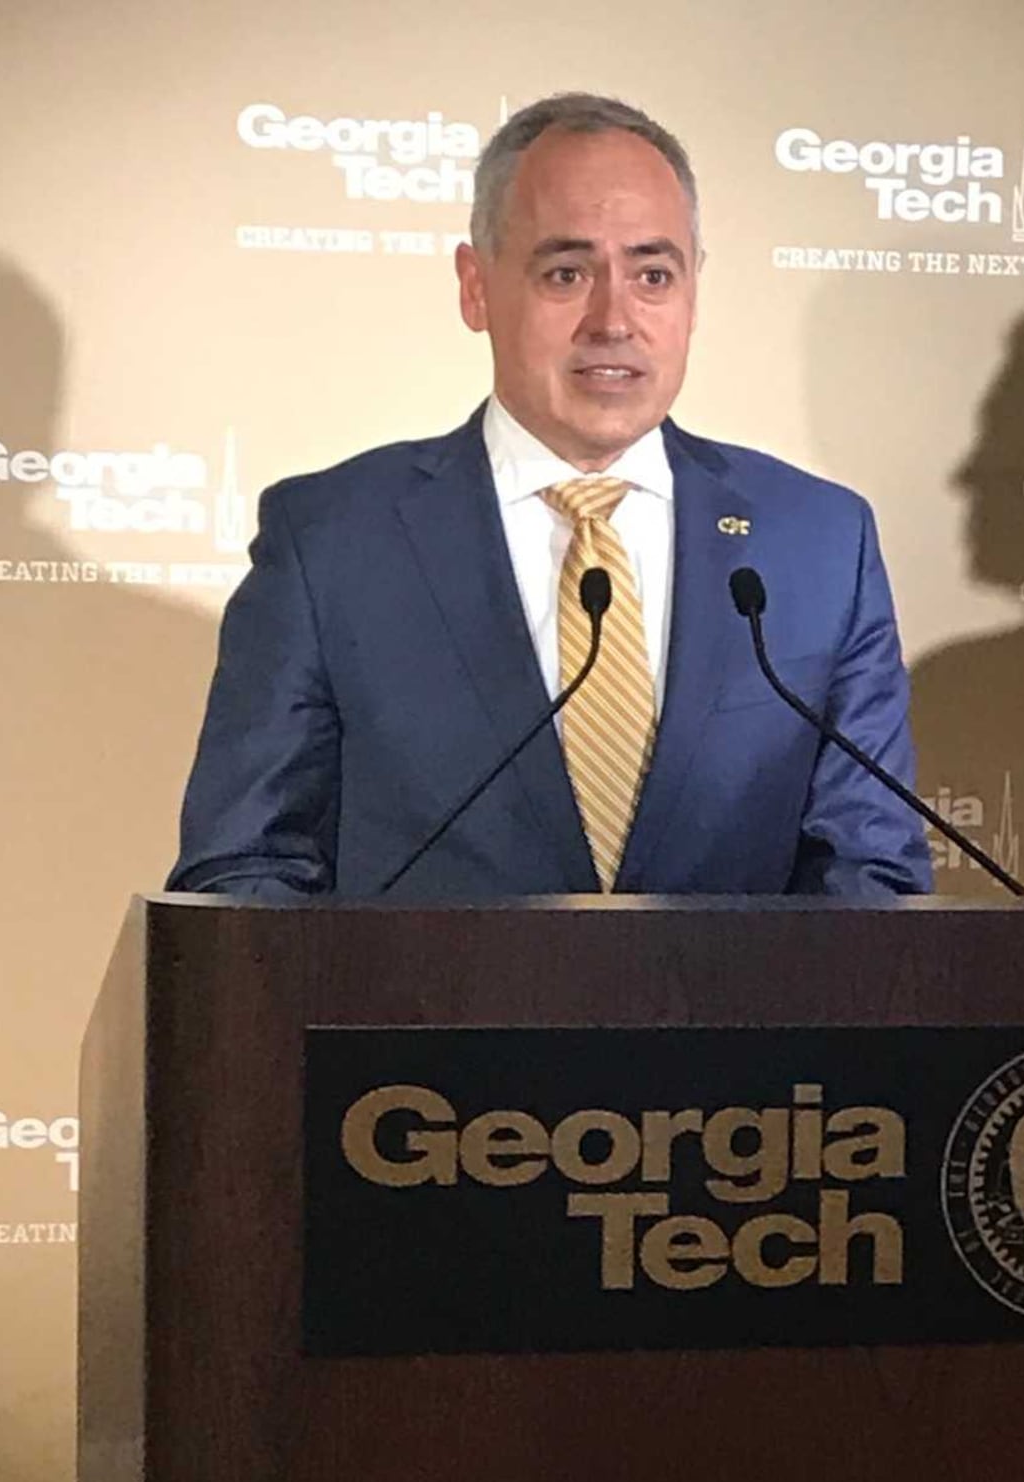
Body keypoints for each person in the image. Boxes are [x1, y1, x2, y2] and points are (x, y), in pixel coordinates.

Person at [167, 93, 933, 903]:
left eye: (653, 273)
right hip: (417, 1028)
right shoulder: (331, 541)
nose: (614, 318)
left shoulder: (817, 541)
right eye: (567, 273)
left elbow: (870, 873)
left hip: (735, 1029)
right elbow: (247, 871)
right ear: (476, 287)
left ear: (694, 293)